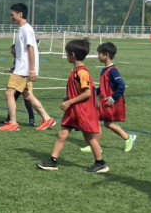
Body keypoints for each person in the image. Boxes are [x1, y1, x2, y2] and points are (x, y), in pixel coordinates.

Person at [37, 39, 108, 173]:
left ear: (73, 55)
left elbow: (87, 93)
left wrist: (70, 102)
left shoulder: (81, 73)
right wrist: (69, 98)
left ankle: (101, 163)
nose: (67, 56)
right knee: (62, 134)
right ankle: (53, 161)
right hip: (74, 110)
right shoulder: (77, 71)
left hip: (82, 111)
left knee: (89, 137)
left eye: (67, 53)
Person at [0, 3, 53, 132]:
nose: (11, 17)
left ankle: (13, 123)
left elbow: (31, 49)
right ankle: (47, 119)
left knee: (9, 93)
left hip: (24, 70)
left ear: (20, 14)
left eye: (13, 14)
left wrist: (32, 69)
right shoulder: (22, 29)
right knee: (28, 96)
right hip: (22, 68)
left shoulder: (26, 29)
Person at [80, 42, 136, 153]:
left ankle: (127, 138)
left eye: (99, 54)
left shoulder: (112, 71)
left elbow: (121, 85)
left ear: (106, 55)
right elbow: (103, 87)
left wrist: (113, 98)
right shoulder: (105, 69)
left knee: (103, 122)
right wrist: (93, 94)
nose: (98, 56)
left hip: (110, 102)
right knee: (102, 122)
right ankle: (97, 145)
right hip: (105, 101)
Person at [0, 44, 37, 128]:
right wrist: (11, 70)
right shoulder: (17, 59)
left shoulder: (22, 58)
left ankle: (32, 120)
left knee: (25, 100)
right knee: (14, 99)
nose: (12, 54)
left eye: (13, 53)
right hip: (20, 81)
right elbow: (17, 67)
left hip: (23, 81)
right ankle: (9, 119)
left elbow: (23, 68)